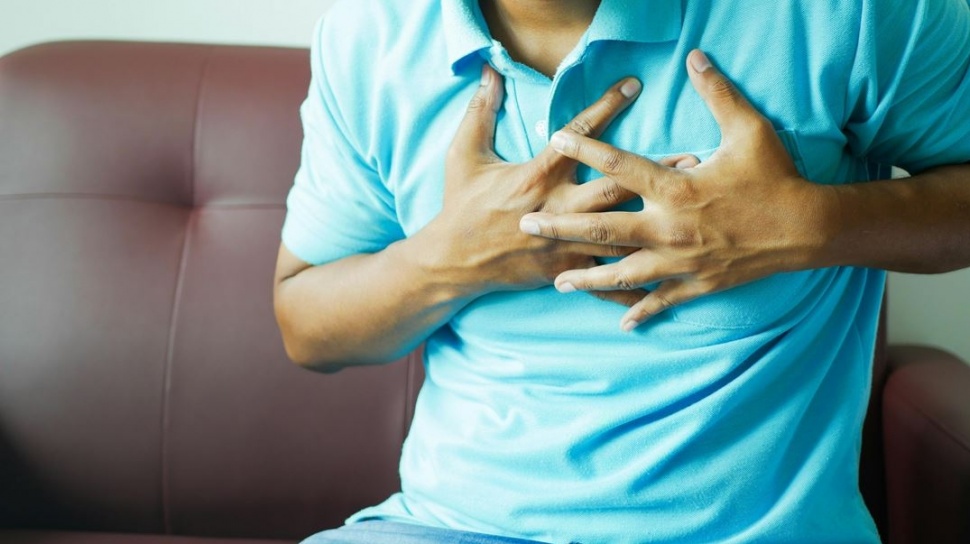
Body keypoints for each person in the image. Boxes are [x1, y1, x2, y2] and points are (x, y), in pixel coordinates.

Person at [273, 0, 970, 542]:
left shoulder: (848, 13)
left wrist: (807, 226)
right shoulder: (366, 38)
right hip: (443, 526)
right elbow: (306, 326)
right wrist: (450, 258)